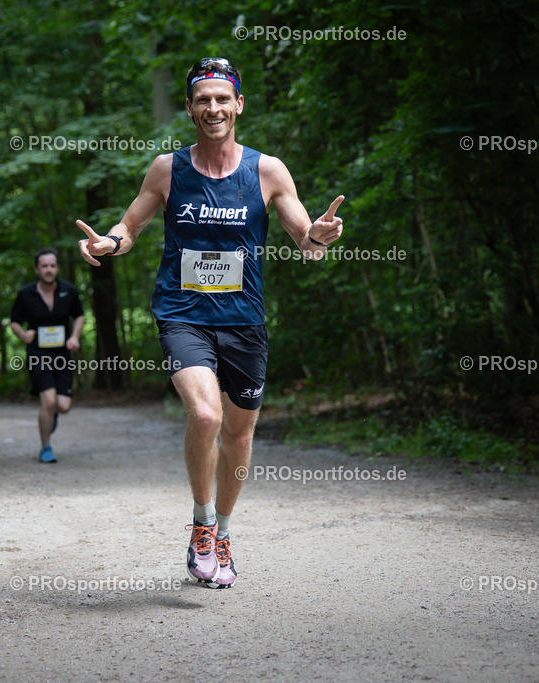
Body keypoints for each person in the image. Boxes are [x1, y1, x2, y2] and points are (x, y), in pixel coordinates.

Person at [77, 58, 344, 588]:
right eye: (203, 99)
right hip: (183, 313)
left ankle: (223, 532)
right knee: (205, 415)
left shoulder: (267, 171)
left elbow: (303, 240)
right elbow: (130, 225)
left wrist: (317, 235)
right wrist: (109, 243)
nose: (213, 108)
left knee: (240, 437)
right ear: (190, 107)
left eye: (223, 99)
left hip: (243, 320)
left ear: (238, 104)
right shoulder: (166, 169)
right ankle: (201, 526)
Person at [10, 248, 84, 463]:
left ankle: (51, 415)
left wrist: (75, 337)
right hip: (38, 354)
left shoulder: (68, 291)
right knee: (49, 402)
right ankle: (46, 448)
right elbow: (14, 321)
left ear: (57, 267)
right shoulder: (26, 294)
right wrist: (23, 334)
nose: (49, 270)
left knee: (63, 406)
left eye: (52, 265)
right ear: (37, 269)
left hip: (62, 354)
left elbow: (79, 316)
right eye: (44, 266)